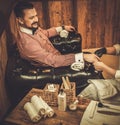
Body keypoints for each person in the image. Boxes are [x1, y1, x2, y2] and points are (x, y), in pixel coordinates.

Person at [13, 1, 99, 68]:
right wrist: (82, 57)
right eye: (31, 18)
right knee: (90, 60)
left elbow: (45, 33)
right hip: (55, 66)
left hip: (59, 58)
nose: (36, 20)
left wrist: (62, 28)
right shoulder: (28, 44)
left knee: (94, 58)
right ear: (20, 20)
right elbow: (53, 61)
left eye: (36, 16)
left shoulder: (31, 29)